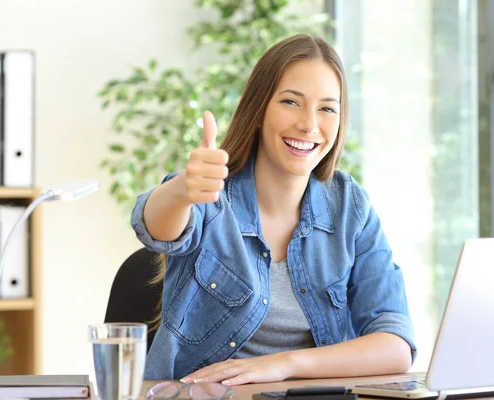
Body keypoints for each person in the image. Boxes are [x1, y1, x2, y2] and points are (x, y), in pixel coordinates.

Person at [130, 33, 416, 385]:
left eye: (327, 108)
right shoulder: (211, 194)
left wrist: (286, 364)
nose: (309, 124)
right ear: (259, 108)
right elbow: (154, 227)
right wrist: (183, 189)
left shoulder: (350, 208)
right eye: (291, 102)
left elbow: (396, 346)